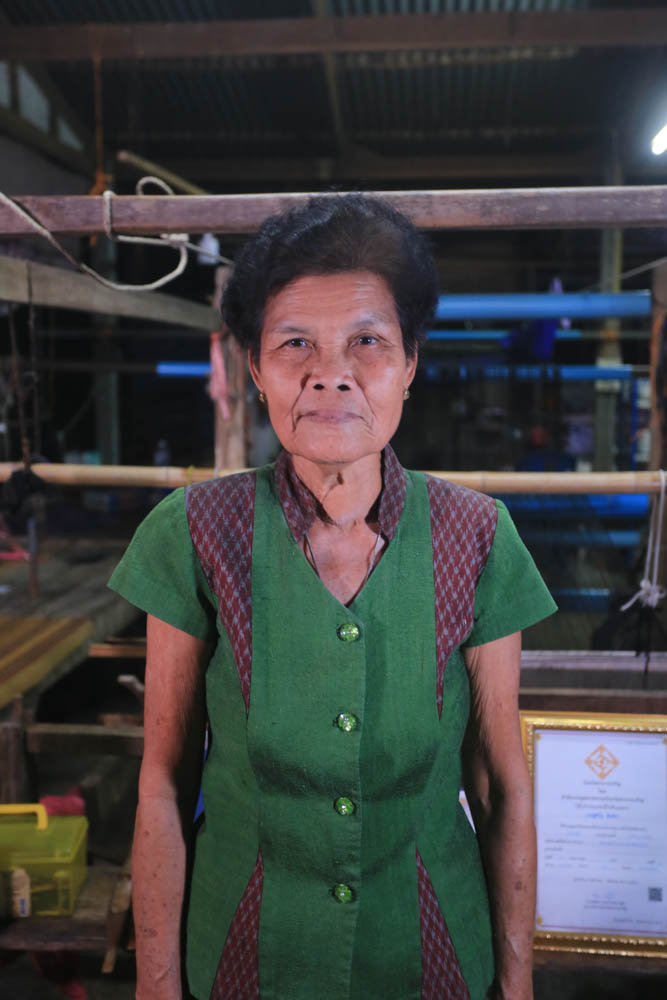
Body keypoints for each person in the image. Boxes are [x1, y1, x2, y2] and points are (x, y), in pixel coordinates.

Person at [109, 194, 556, 1000]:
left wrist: (517, 983)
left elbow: (499, 783)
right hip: (244, 955)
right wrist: (156, 982)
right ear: (255, 368)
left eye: (367, 342)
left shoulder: (477, 535)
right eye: (295, 344)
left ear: (410, 362)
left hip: (432, 955)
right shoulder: (194, 532)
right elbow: (163, 784)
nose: (330, 374)